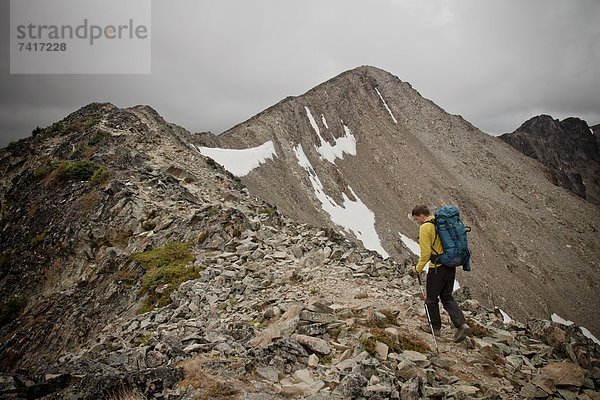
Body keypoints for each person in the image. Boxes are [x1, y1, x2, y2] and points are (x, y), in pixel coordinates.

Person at [409, 205, 470, 343]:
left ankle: (435, 328)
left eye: (416, 219)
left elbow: (425, 254)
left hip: (437, 268)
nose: (417, 221)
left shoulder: (425, 227)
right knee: (447, 297)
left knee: (431, 299)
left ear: (421, 216)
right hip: (449, 265)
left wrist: (417, 269)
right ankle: (461, 325)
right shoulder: (440, 223)